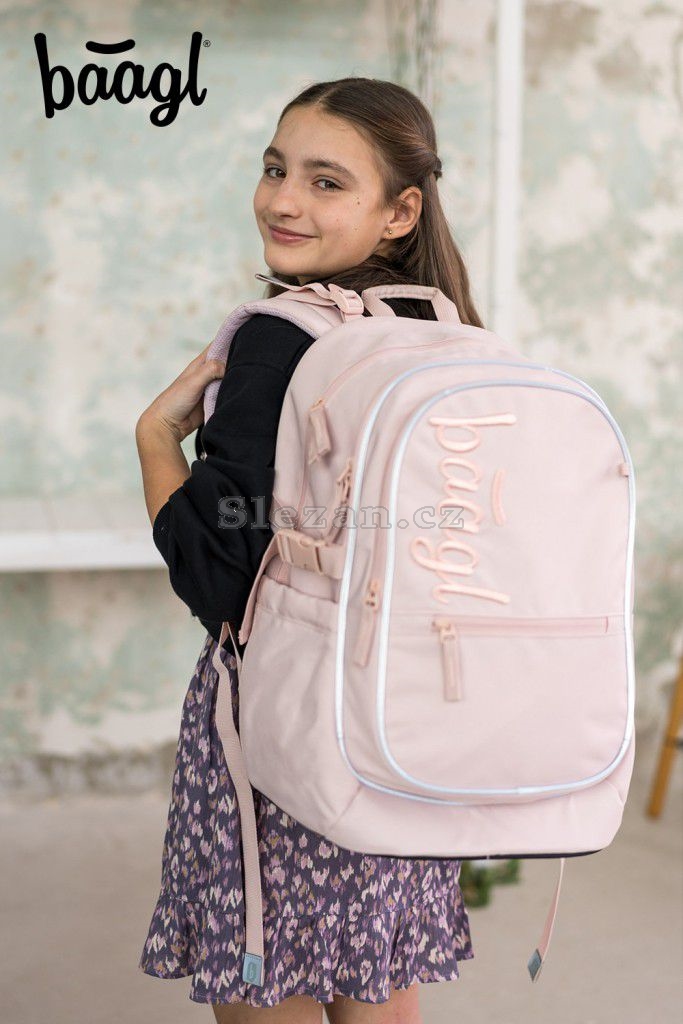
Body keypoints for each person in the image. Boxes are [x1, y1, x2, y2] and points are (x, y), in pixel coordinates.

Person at [136, 76, 484, 1024]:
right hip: (404, 719)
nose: (282, 200)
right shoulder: (444, 332)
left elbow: (216, 577)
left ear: (398, 212)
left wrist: (155, 440)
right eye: (274, 168)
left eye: (326, 181)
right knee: (378, 988)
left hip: (285, 723)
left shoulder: (279, 342)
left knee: (271, 980)